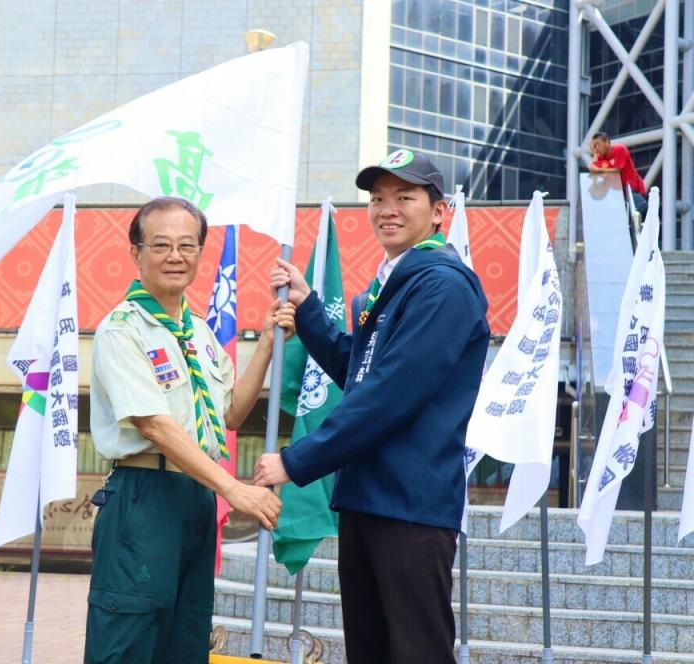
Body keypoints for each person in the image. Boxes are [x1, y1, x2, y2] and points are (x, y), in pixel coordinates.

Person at [255, 149, 490, 663]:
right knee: (372, 652)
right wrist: (309, 308)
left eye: (404, 197)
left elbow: (389, 396)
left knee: (416, 652)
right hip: (369, 500)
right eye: (378, 198)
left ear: (438, 211)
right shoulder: (392, 285)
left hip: (409, 508)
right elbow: (361, 374)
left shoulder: (442, 286)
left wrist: (296, 462)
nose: (388, 208)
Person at [84, 196, 290, 664]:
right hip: (143, 497)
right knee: (128, 638)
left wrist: (264, 346)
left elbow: (230, 415)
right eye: (160, 245)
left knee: (187, 639)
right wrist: (234, 490)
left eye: (186, 245)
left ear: (200, 252)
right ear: (136, 253)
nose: (175, 256)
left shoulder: (199, 332)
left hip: (195, 499)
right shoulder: (123, 330)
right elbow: (155, 426)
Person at [589, 131, 648, 217]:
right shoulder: (602, 157)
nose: (597, 148)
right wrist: (594, 154)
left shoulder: (620, 149)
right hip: (619, 193)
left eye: (598, 144)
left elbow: (617, 170)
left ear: (607, 142)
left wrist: (598, 169)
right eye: (594, 146)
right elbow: (593, 170)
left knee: (636, 214)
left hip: (631, 190)